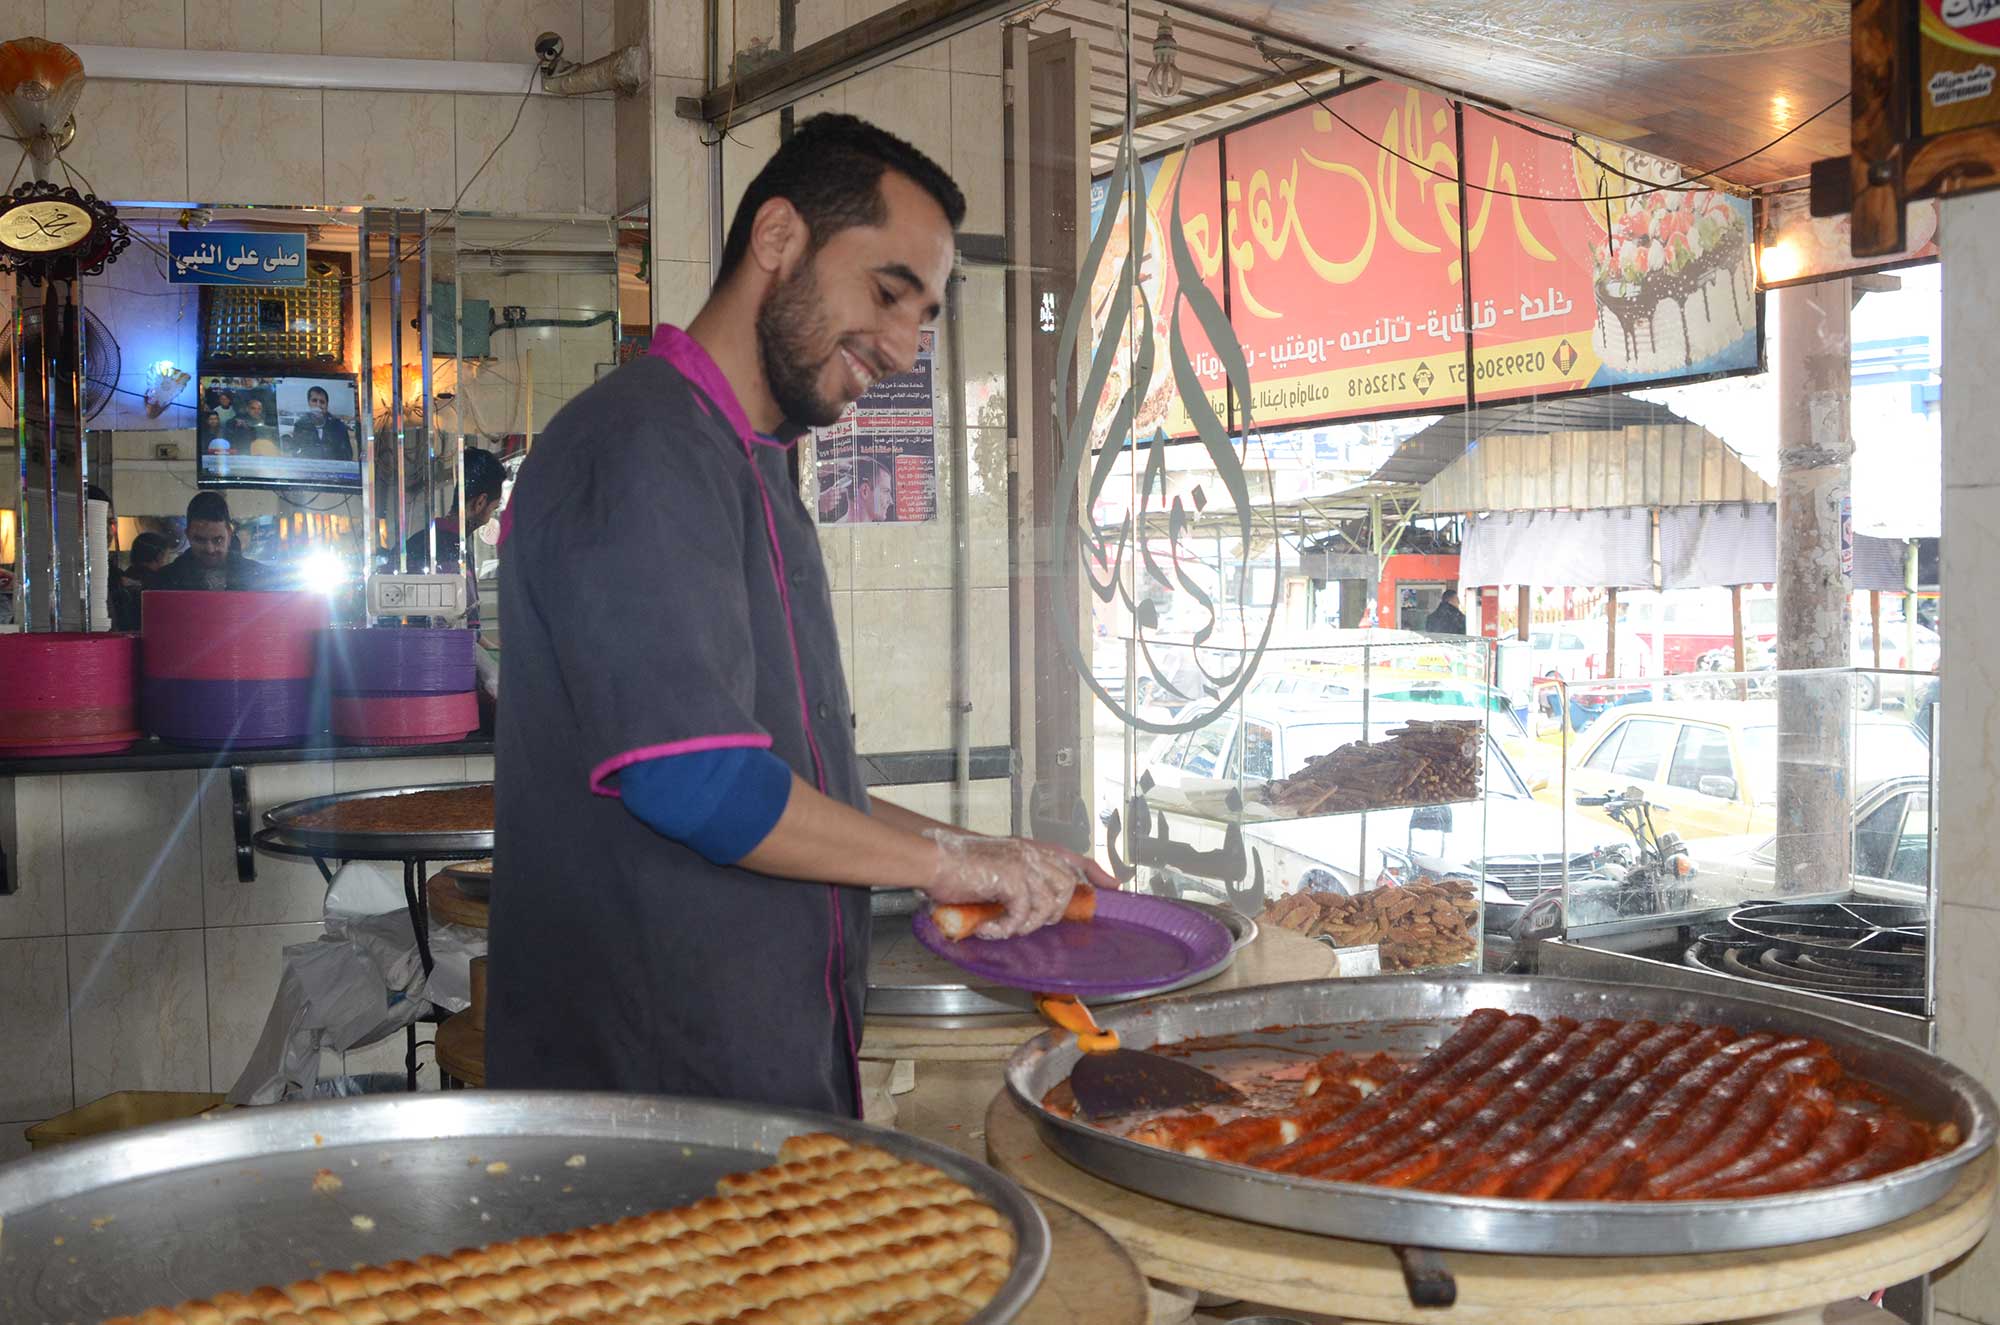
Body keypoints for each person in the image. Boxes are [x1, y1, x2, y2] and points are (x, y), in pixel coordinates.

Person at [486, 114, 1112, 1115]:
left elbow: (795, 786)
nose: (906, 347)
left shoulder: (752, 461)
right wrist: (945, 862)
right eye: (886, 292)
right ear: (777, 240)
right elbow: (699, 783)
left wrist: (991, 855)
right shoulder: (643, 447)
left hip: (757, 1072)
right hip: (644, 1097)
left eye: (926, 317)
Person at [152, 491, 275, 591]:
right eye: (200, 540)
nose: (210, 549)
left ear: (229, 533)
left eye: (218, 540)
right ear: (188, 535)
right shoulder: (164, 580)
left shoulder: (165, 580)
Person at [284, 385, 353, 460]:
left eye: (322, 402)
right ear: (309, 403)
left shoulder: (339, 426)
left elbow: (348, 455)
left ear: (327, 405)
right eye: (314, 400)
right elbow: (295, 452)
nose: (318, 405)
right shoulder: (300, 425)